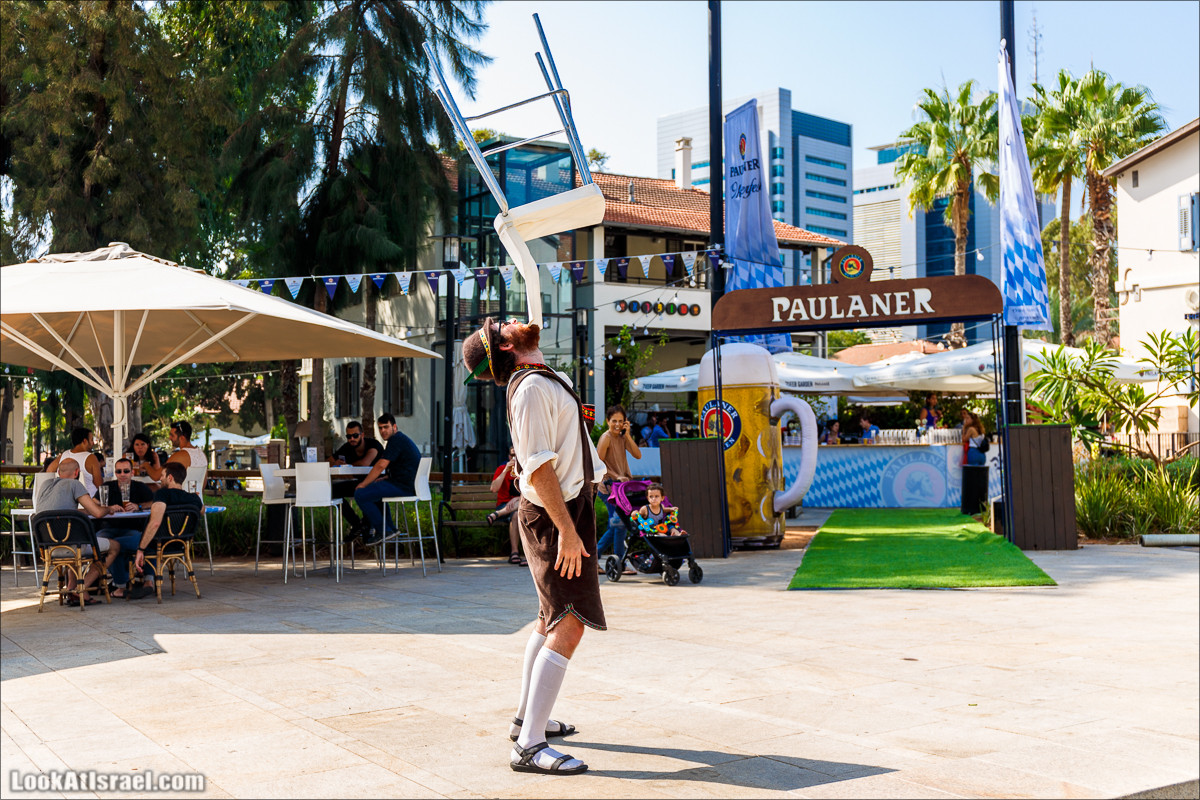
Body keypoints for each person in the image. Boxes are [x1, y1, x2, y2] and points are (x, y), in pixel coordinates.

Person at [462, 316, 606, 776]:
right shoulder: (527, 390)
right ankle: (528, 745)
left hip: (566, 509)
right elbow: (539, 470)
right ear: (505, 347)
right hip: (555, 514)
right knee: (570, 622)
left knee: (548, 619)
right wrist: (567, 531)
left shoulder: (544, 379)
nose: (514, 319)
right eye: (503, 324)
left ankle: (528, 718)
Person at [35, 458, 121, 605]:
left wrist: (85, 511)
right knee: (114, 546)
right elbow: (98, 513)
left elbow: (61, 510)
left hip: (49, 549)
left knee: (74, 541)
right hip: (72, 548)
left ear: (58, 472)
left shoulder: (45, 486)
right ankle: (82, 588)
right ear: (77, 473)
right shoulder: (75, 484)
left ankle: (71, 588)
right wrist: (110, 508)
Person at [353, 413, 420, 546]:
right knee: (374, 494)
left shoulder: (396, 440)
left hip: (404, 487)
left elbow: (381, 465)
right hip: (407, 484)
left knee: (360, 494)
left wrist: (364, 483)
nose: (383, 431)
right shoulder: (400, 440)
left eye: (386, 427)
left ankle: (383, 531)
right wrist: (386, 477)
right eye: (380, 428)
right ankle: (389, 529)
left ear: (394, 427)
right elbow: (405, 466)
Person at [132, 461, 203, 584]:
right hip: (181, 544)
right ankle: (147, 581)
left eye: (162, 476)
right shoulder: (194, 498)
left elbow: (155, 523)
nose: (160, 479)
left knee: (120, 544)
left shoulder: (162, 494)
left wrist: (140, 549)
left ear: (170, 478)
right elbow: (201, 511)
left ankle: (122, 585)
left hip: (158, 544)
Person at [97, 458, 156, 599]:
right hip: (110, 529)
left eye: (126, 471)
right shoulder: (108, 487)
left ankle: (124, 585)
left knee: (142, 539)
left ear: (132, 473)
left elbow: (155, 502)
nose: (122, 474)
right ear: (115, 473)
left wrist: (139, 506)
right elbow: (93, 504)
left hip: (133, 530)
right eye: (119, 471)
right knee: (99, 540)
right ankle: (122, 584)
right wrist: (108, 508)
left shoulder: (139, 486)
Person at [595, 405, 640, 573]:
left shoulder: (622, 437)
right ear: (608, 421)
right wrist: (615, 475)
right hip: (608, 488)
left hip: (621, 489)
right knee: (618, 524)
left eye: (621, 421)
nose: (617, 424)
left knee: (617, 525)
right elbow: (599, 463)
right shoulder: (605, 438)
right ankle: (614, 562)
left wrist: (627, 435)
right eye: (614, 421)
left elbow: (637, 454)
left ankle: (614, 562)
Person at [330, 420, 383, 540]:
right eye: (348, 436)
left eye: (355, 435)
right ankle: (356, 524)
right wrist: (335, 463)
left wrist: (347, 464)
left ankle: (367, 526)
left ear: (362, 435)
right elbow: (329, 460)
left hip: (377, 483)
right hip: (361, 484)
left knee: (364, 491)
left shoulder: (373, 445)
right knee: (332, 490)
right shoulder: (347, 447)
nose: (352, 439)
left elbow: (365, 463)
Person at [488, 447, 527, 566]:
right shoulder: (501, 469)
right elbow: (494, 489)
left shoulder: (525, 471)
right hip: (503, 506)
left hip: (521, 509)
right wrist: (506, 470)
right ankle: (516, 553)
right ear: (509, 457)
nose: (515, 458)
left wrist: (518, 498)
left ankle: (514, 553)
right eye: (512, 455)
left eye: (517, 455)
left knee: (517, 514)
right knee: (517, 512)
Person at [45, 427, 104, 497]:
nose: (93, 443)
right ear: (85, 441)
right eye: (91, 440)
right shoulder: (91, 458)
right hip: (89, 502)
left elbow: (49, 471)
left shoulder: (64, 455)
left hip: (66, 500)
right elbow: (99, 485)